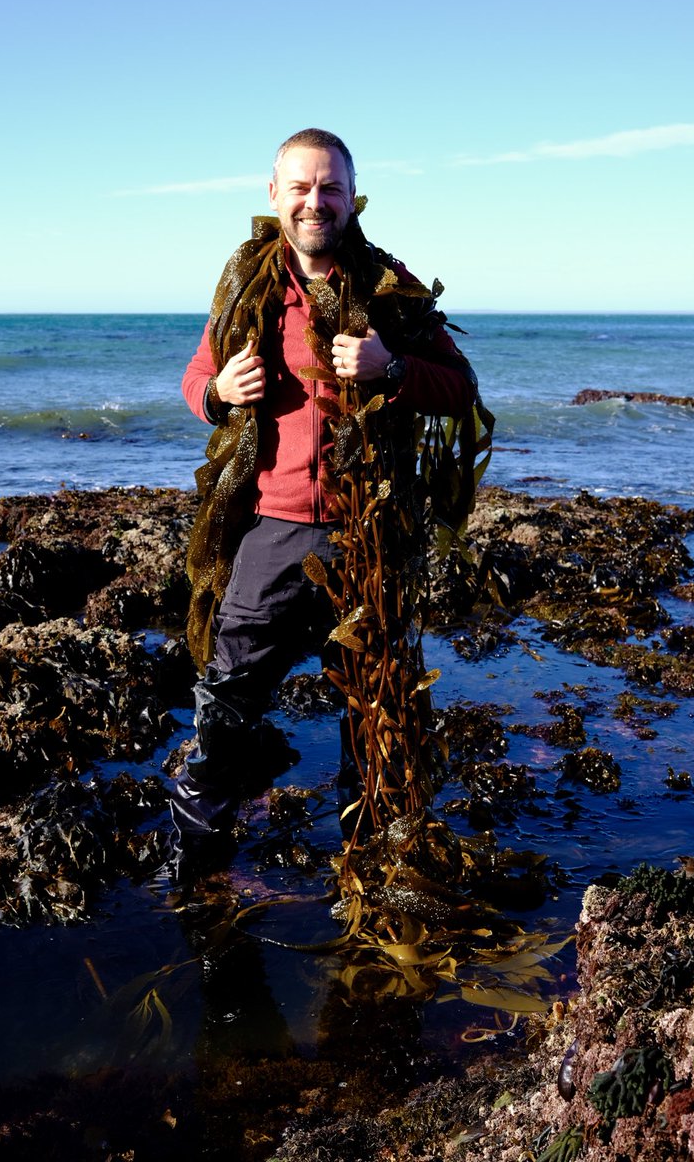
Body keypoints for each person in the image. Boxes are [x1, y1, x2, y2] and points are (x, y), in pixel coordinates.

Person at [170, 127, 480, 876]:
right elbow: (194, 380)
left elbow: (461, 385)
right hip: (270, 532)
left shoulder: (387, 287)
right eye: (301, 187)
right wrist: (218, 394)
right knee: (226, 707)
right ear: (274, 195)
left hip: (369, 540)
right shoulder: (249, 286)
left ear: (352, 197)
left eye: (330, 187)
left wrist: (392, 366)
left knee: (375, 716)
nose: (316, 201)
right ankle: (197, 870)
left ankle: (368, 869)